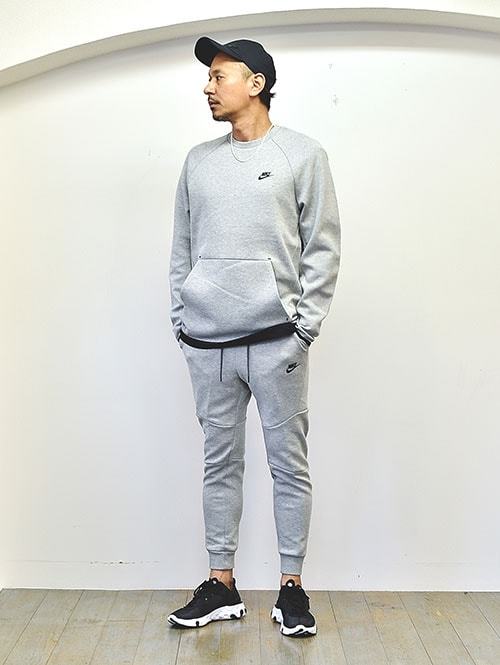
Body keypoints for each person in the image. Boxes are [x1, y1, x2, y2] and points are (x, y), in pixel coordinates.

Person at [167, 35, 341, 638]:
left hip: (276, 341)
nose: (208, 87)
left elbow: (323, 247)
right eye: (209, 77)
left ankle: (291, 587)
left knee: (288, 464)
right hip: (207, 343)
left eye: (220, 76)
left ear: (257, 83)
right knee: (220, 463)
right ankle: (221, 583)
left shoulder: (302, 155)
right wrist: (182, 321)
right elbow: (182, 247)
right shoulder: (198, 161)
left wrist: (303, 328)